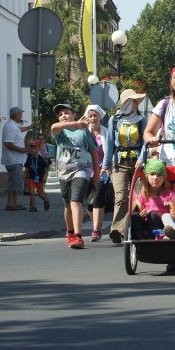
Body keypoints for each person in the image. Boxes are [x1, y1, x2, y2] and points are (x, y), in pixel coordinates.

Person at [102, 89, 148, 244]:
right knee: (121, 197)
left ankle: (136, 228)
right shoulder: (114, 120)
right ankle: (117, 229)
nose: (136, 104)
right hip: (119, 162)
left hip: (137, 163)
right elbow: (109, 143)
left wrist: (142, 159)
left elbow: (146, 142)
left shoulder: (141, 120)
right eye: (133, 101)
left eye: (137, 101)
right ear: (127, 103)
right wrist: (106, 165)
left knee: (138, 197)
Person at [51, 103, 99, 249]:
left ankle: (78, 236)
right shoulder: (60, 132)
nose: (63, 116)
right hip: (64, 173)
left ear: (74, 114)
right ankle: (70, 232)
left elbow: (94, 152)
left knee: (76, 201)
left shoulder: (84, 132)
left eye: (66, 113)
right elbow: (54, 127)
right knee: (67, 205)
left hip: (82, 170)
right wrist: (76, 123)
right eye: (60, 114)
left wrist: (96, 174)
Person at [84, 105, 109, 241]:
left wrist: (108, 166)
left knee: (98, 198)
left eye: (95, 115)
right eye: (91, 115)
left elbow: (110, 151)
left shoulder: (106, 133)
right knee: (88, 203)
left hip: (102, 170)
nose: (93, 118)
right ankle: (96, 224)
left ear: (100, 117)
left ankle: (96, 230)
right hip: (86, 171)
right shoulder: (84, 132)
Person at [1, 106, 34, 210]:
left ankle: (15, 203)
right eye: (20, 114)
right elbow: (7, 143)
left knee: (16, 182)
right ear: (15, 115)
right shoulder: (11, 126)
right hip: (13, 159)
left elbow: (19, 130)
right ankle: (10, 204)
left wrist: (29, 127)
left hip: (16, 159)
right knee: (14, 183)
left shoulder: (13, 125)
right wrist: (20, 149)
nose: (21, 115)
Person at [23, 140, 50, 212]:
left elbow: (47, 167)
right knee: (31, 192)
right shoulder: (29, 158)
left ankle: (45, 199)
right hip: (31, 177)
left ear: (38, 149)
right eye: (31, 148)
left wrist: (45, 175)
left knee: (40, 194)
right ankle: (33, 207)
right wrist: (24, 173)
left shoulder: (41, 159)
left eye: (34, 148)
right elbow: (27, 167)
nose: (32, 149)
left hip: (40, 179)